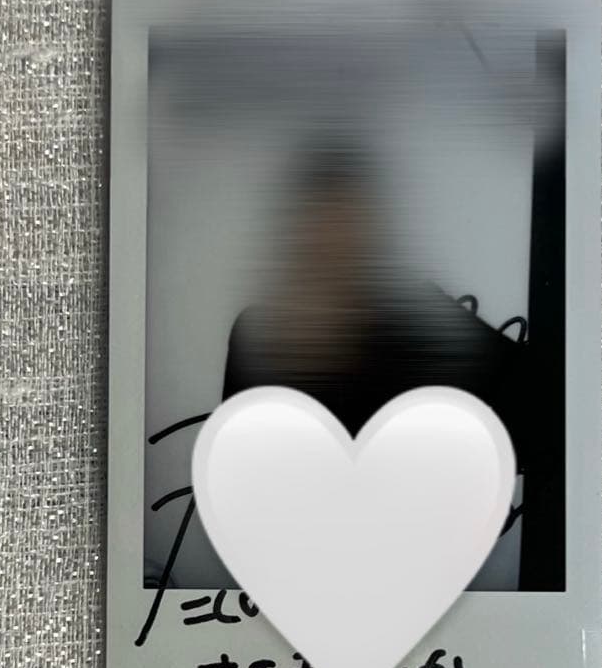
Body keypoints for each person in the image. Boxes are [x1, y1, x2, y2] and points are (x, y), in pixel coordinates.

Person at [221, 139, 532, 470]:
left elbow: (536, 413)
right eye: (322, 220)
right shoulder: (259, 330)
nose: (334, 239)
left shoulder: (420, 318)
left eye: (349, 221)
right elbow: (236, 462)